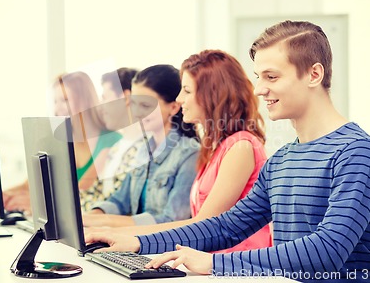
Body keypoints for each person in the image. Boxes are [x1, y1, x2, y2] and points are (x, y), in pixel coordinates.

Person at [85, 21, 370, 282]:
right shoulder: (283, 159)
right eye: (259, 77)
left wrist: (214, 264)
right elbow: (227, 226)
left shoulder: (357, 153)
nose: (258, 89)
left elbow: (327, 251)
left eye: (271, 77)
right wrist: (137, 242)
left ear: (314, 75)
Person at [88, 50, 272, 252]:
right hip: (206, 263)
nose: (179, 98)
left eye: (187, 90)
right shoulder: (215, 148)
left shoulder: (240, 147)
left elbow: (204, 226)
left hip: (233, 269)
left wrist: (122, 235)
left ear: (212, 95)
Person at [82, 64, 200, 227]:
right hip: (136, 243)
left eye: (145, 106)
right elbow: (120, 201)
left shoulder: (189, 154)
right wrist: (90, 217)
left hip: (163, 248)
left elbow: (172, 220)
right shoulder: (143, 149)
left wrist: (102, 220)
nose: (137, 112)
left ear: (173, 107)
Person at [3, 71, 121, 213]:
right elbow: (30, 184)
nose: (58, 108)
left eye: (65, 100)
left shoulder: (113, 142)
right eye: (55, 101)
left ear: (85, 101)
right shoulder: (58, 140)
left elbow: (80, 192)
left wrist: (35, 202)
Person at [81, 67, 143, 211]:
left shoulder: (144, 148)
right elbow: (91, 195)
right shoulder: (116, 148)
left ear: (126, 98)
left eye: (105, 97)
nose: (101, 106)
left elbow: (120, 205)